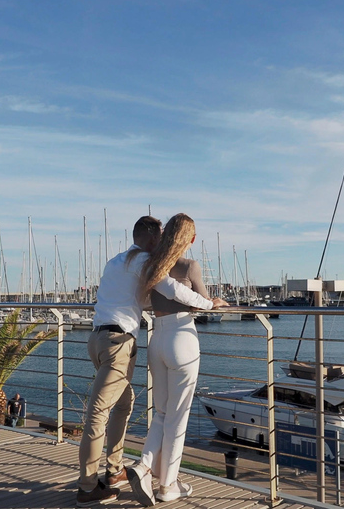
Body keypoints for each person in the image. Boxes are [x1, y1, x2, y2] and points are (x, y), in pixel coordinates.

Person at [76, 215, 226, 508]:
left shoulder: (116, 261)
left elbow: (140, 299)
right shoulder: (146, 261)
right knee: (100, 412)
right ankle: (89, 486)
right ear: (154, 238)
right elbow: (172, 289)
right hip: (122, 342)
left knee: (126, 402)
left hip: (98, 338)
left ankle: (117, 469)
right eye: (159, 236)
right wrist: (210, 304)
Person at [128, 214, 227, 506]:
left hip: (156, 338)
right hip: (182, 338)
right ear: (191, 240)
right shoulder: (189, 266)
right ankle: (168, 485)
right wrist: (214, 303)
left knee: (161, 413)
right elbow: (204, 301)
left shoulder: (152, 265)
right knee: (178, 417)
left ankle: (144, 465)